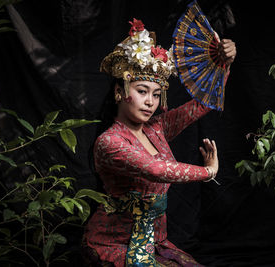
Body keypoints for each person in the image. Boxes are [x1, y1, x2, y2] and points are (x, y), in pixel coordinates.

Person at [83, 18, 236, 267]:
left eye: (156, 94)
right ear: (120, 92)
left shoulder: (157, 128)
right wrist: (208, 172)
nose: (150, 102)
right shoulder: (109, 141)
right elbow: (156, 170)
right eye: (142, 91)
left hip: (154, 242)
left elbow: (203, 103)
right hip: (115, 244)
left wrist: (223, 65)